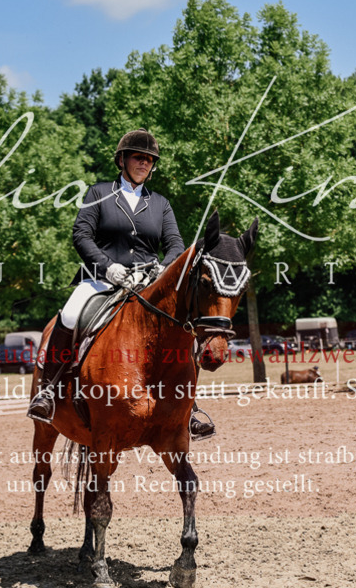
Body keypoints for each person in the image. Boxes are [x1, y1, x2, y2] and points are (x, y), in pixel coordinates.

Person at [26, 128, 216, 439]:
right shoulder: (98, 193)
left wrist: (163, 270)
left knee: (183, 328)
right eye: (138, 157)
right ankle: (48, 391)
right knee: (70, 315)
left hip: (147, 284)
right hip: (103, 280)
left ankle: (189, 407)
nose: (144, 163)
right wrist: (108, 267)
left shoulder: (161, 203)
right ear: (122, 160)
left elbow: (175, 245)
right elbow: (81, 235)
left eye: (150, 160)